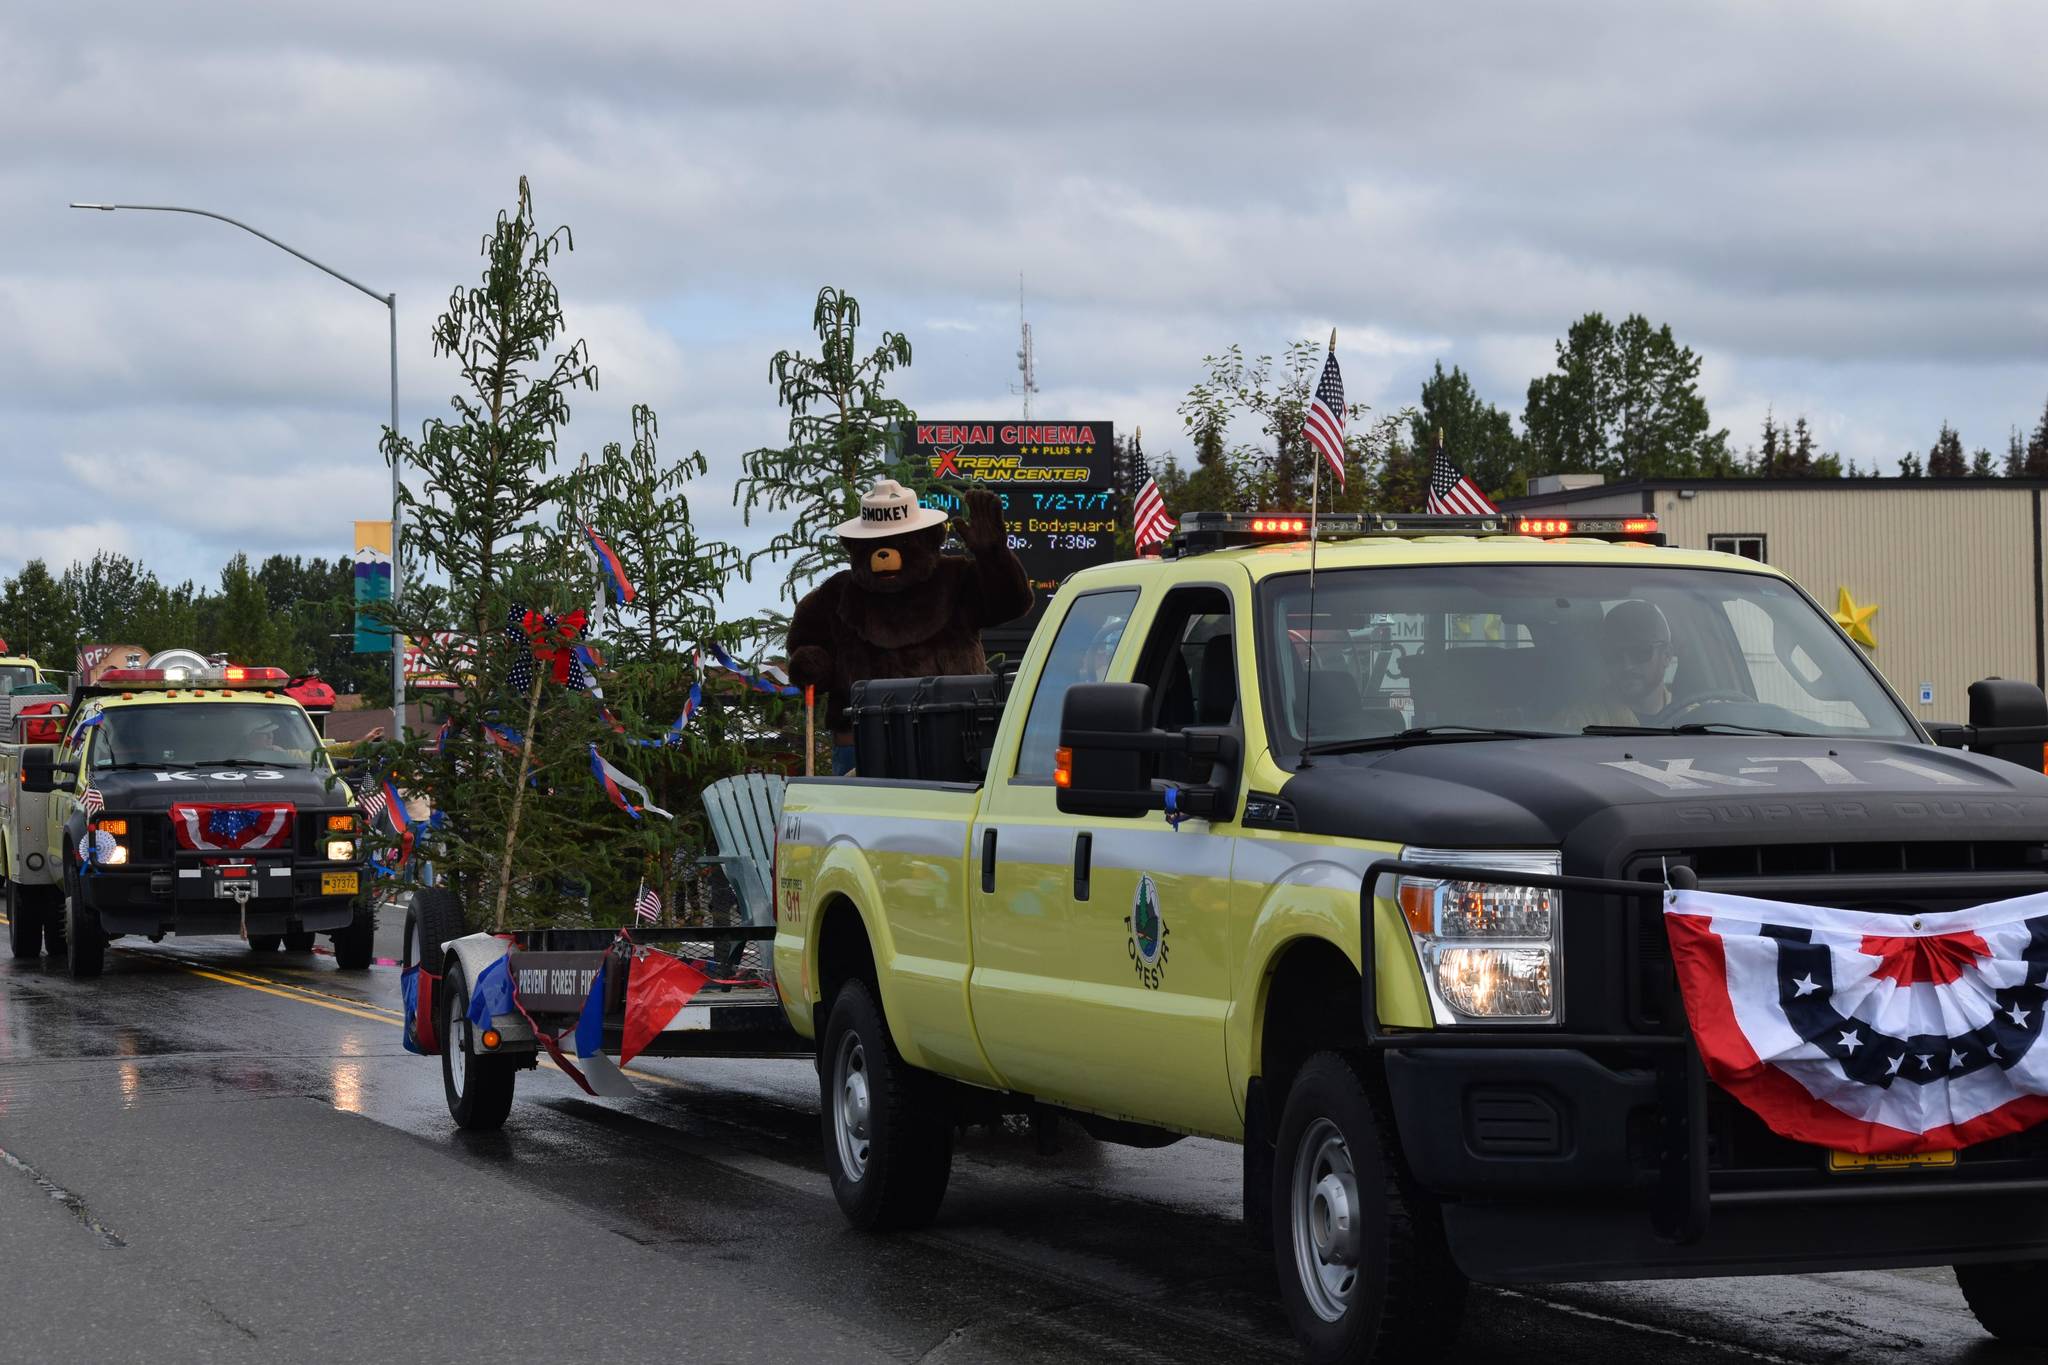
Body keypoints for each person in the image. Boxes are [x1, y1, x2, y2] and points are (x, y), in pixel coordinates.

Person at [1551, 599, 1676, 730]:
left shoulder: (1692, 717)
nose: (1627, 665)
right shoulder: (1576, 724)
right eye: (1614, 655)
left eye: (1640, 652)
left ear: (1666, 655)